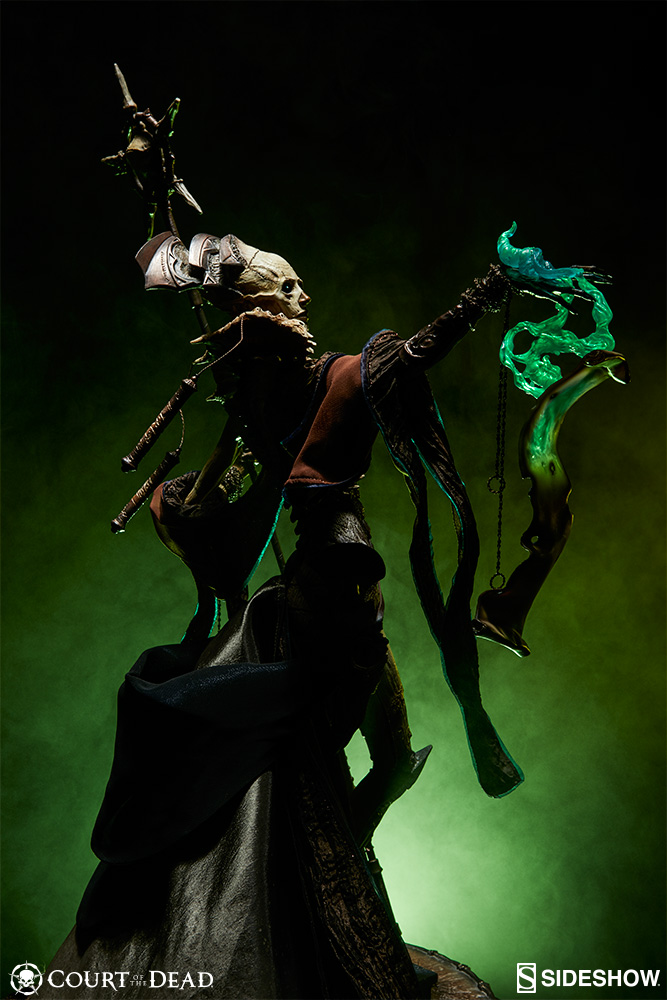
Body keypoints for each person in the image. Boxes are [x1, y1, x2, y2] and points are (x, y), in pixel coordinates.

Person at [44, 233, 526, 1000]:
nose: (305, 298)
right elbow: (416, 354)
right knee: (369, 762)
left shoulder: (275, 402)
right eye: (289, 289)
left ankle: (338, 893)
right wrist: (485, 290)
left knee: (354, 765)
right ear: (262, 305)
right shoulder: (333, 381)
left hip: (323, 589)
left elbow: (234, 494)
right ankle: (333, 906)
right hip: (332, 596)